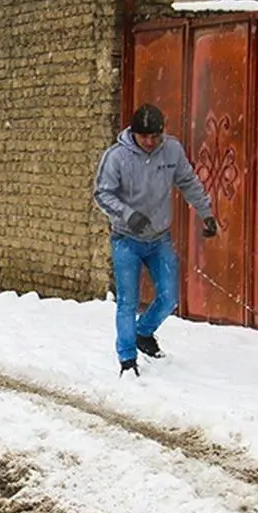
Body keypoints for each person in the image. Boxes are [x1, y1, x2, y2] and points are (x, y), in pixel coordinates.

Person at [93, 103, 218, 377]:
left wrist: (206, 213)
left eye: (155, 136)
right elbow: (102, 193)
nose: (150, 142)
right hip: (126, 240)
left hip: (160, 238)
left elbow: (188, 181)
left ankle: (143, 332)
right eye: (144, 137)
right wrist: (129, 215)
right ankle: (127, 359)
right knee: (128, 301)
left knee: (169, 297)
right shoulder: (116, 157)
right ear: (133, 134)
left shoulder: (171, 150)